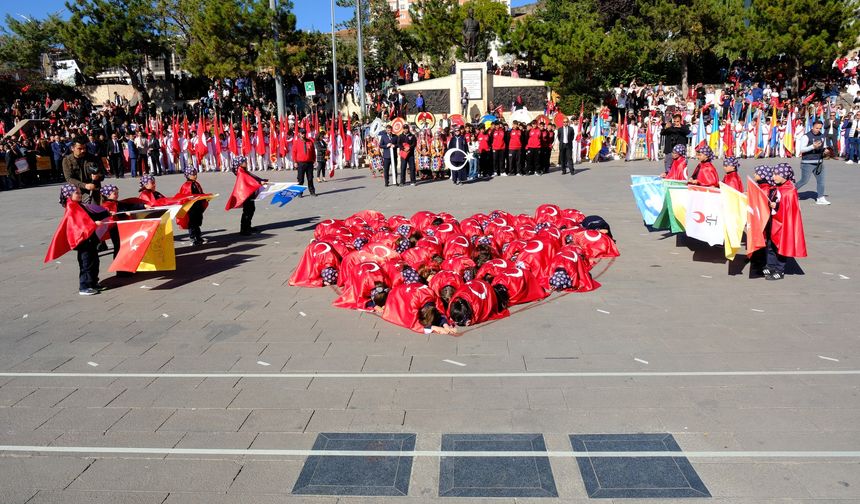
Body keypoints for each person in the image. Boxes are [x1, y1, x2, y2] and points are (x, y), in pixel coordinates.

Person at [57, 184, 107, 295]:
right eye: (77, 193)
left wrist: (106, 213)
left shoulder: (79, 205)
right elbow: (79, 225)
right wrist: (94, 224)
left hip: (90, 240)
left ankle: (93, 282)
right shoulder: (72, 208)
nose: (80, 195)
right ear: (68, 195)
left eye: (80, 192)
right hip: (83, 242)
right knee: (86, 264)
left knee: (94, 261)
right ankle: (84, 286)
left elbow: (91, 215)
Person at [764, 163, 807, 280]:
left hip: (784, 224)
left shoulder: (790, 190)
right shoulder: (777, 187)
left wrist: (776, 205)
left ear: (785, 175)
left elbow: (788, 209)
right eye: (773, 174)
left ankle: (780, 270)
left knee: (781, 246)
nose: (774, 177)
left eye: (777, 174)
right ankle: (770, 265)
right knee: (771, 245)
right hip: (775, 222)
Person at [226, 156, 268, 236]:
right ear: (240, 163)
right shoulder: (241, 172)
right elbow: (249, 180)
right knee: (247, 211)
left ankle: (248, 226)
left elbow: (252, 178)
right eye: (244, 161)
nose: (246, 162)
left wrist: (261, 180)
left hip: (248, 192)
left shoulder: (243, 170)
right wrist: (259, 183)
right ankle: (244, 229)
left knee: (251, 209)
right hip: (246, 193)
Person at [796, 120, 830, 205]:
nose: (818, 129)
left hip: (819, 162)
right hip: (807, 162)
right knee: (804, 181)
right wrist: (813, 146)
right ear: (812, 127)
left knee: (821, 181)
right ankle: (788, 191)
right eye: (816, 128)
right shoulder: (806, 136)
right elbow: (802, 149)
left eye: (820, 128)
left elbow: (824, 147)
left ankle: (820, 198)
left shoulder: (822, 136)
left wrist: (825, 151)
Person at [62, 135, 104, 204]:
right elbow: (69, 178)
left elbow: (102, 174)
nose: (83, 150)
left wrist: (98, 176)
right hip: (77, 192)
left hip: (93, 190)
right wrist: (85, 185)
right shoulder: (67, 160)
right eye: (79, 148)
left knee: (95, 210)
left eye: (84, 148)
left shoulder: (93, 158)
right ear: (72, 148)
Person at [176, 166, 208, 246]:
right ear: (188, 175)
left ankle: (198, 236)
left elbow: (200, 193)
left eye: (195, 174)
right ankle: (193, 237)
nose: (195, 176)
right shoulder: (186, 186)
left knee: (197, 222)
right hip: (191, 208)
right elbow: (185, 197)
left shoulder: (196, 184)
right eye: (193, 174)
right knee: (192, 223)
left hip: (198, 206)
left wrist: (205, 198)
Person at [292, 128, 317, 196]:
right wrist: (295, 162)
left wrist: (314, 160)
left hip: (309, 163)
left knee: (310, 178)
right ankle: (299, 193)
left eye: (304, 133)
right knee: (300, 179)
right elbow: (294, 152)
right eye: (302, 133)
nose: (303, 134)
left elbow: (313, 152)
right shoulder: (296, 142)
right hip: (301, 163)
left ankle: (312, 192)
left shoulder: (310, 141)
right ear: (299, 134)